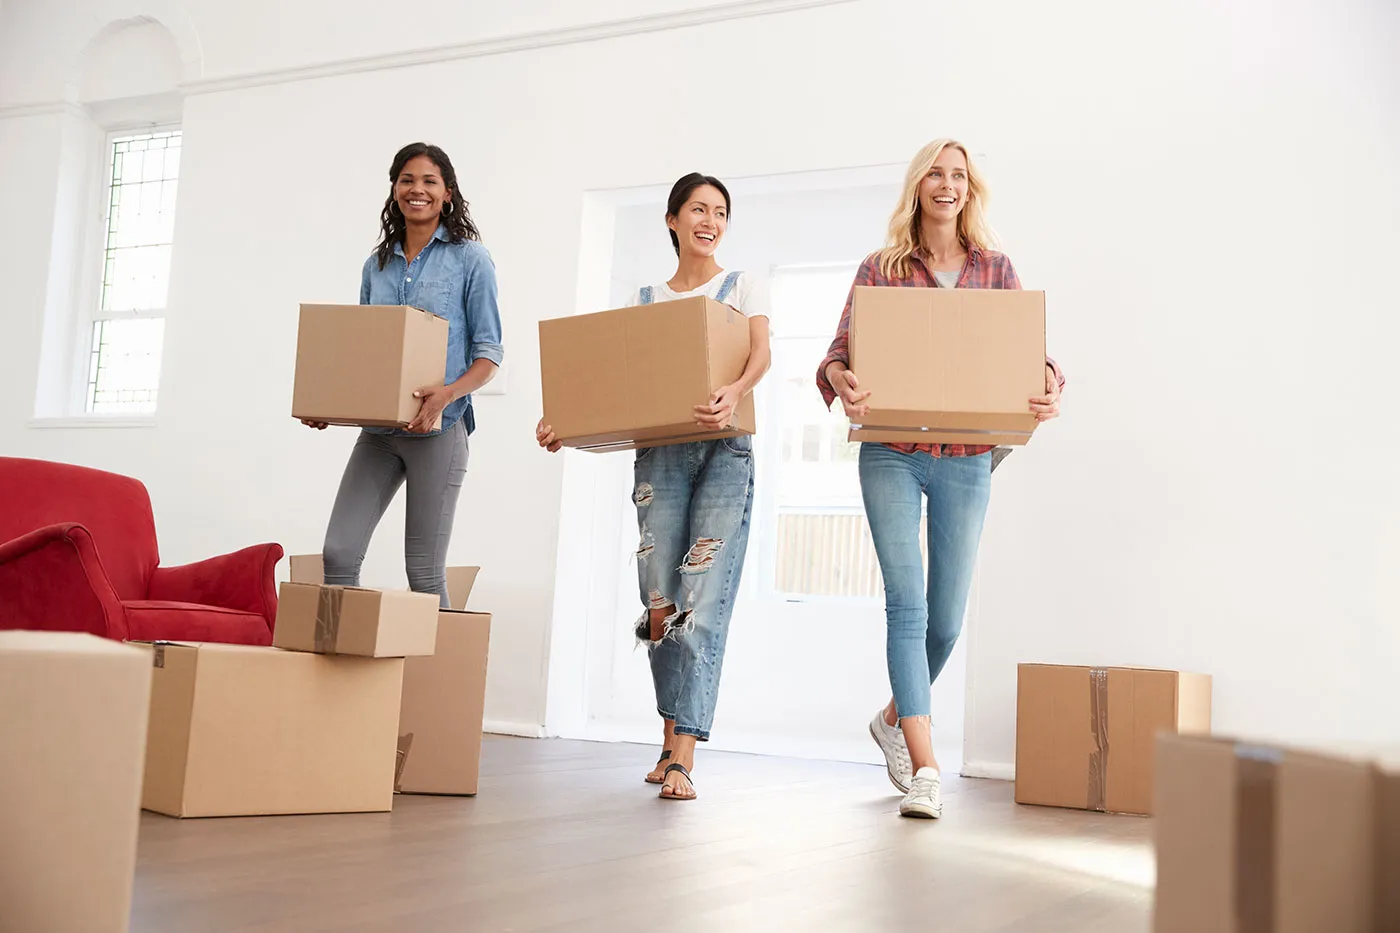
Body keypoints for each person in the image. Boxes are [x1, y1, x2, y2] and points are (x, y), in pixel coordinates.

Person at [815, 139, 1064, 819]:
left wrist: (1047, 384)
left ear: (969, 189)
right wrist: (845, 381)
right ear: (918, 185)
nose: (947, 183)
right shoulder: (882, 267)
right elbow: (838, 356)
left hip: (968, 456)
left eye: (959, 174)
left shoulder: (996, 268)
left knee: (947, 621)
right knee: (907, 602)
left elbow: (1029, 358)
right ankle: (927, 766)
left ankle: (895, 716)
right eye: (936, 172)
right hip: (892, 449)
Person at [537, 173, 771, 800]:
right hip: (660, 456)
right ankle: (668, 733)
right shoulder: (645, 300)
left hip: (725, 451)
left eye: (720, 212)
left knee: (700, 598)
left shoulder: (742, 284)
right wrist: (567, 425)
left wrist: (737, 391)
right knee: (660, 603)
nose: (711, 221)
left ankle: (684, 755)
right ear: (672, 220)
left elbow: (759, 355)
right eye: (699, 209)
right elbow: (617, 387)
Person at [304, 142, 504, 608]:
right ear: (395, 190)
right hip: (379, 433)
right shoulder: (376, 266)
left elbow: (489, 353)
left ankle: (439, 679)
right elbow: (364, 352)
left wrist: (447, 394)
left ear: (448, 194)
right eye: (407, 180)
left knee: (424, 571)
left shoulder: (471, 259)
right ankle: (345, 673)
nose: (417, 190)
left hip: (439, 431)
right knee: (338, 552)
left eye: (429, 181)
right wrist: (328, 405)